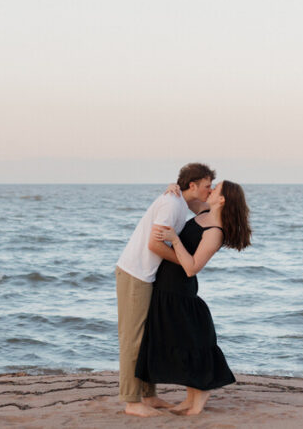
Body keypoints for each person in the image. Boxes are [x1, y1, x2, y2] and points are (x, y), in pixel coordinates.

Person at [136, 180, 252, 416]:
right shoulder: (205, 211)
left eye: (215, 189)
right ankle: (190, 399)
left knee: (193, 345)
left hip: (181, 291)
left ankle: (200, 396)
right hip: (165, 288)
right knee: (182, 343)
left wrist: (174, 239)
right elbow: (189, 200)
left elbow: (191, 267)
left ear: (222, 200)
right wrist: (175, 189)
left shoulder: (215, 232)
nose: (210, 190)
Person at [115, 163, 215, 417]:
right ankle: (131, 401)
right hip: (136, 272)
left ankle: (148, 395)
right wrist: (186, 262)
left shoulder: (180, 202)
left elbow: (212, 210)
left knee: (148, 336)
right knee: (134, 339)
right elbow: (154, 245)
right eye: (206, 186)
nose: (210, 190)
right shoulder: (172, 204)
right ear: (192, 185)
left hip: (148, 277)